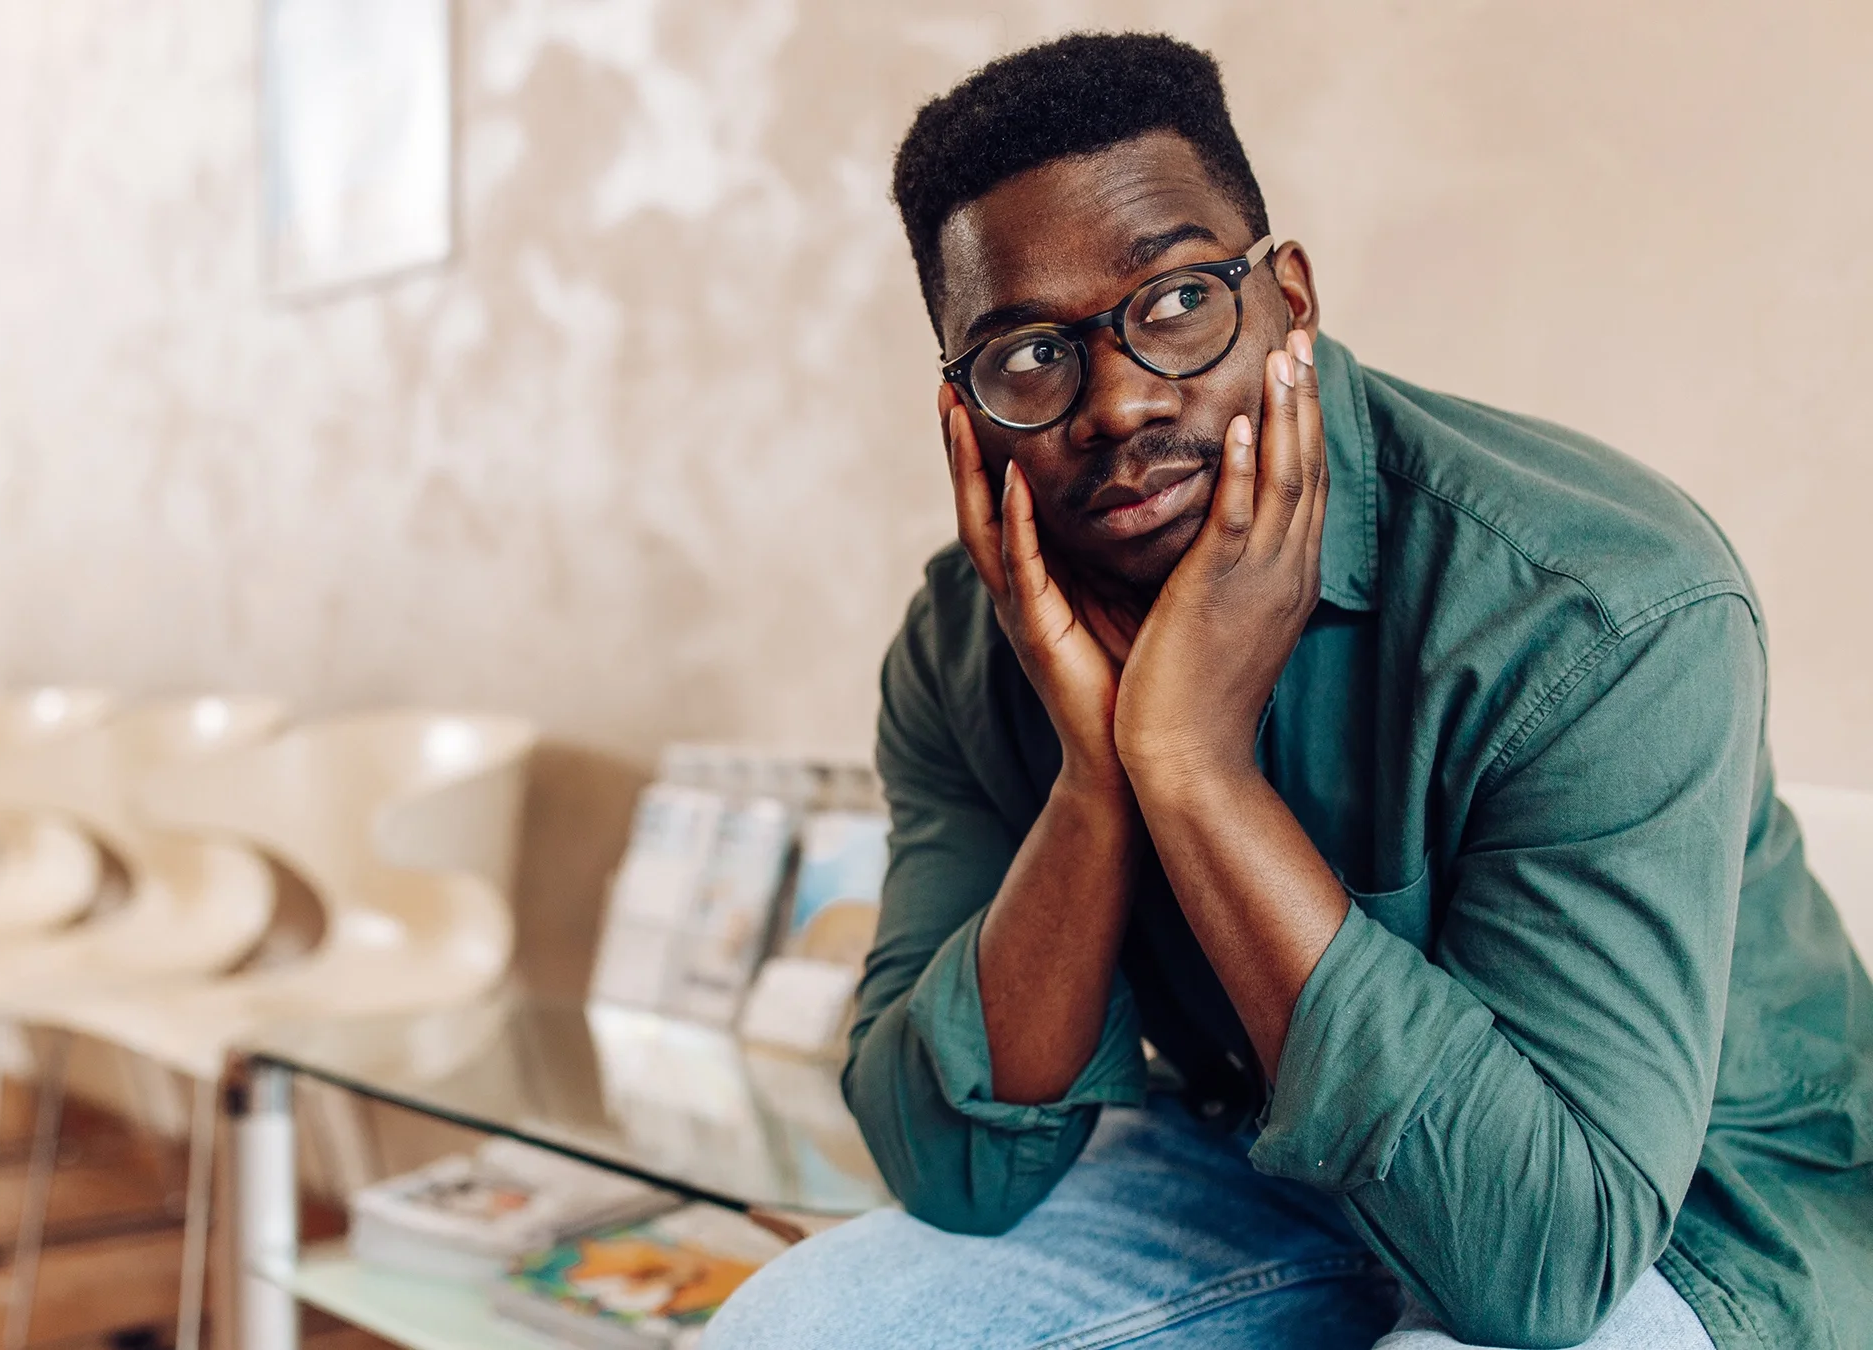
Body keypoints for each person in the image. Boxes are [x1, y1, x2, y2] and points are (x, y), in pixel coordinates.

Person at [705, 31, 1872, 1350]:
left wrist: (1193, 766)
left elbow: (1539, 1267)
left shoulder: (1600, 603)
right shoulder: (968, 645)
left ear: (1292, 301)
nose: (1123, 401)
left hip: (1682, 1212)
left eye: (1177, 301)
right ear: (963, 410)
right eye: (1029, 355)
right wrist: (1101, 779)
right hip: (1269, 1161)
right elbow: (958, 1173)